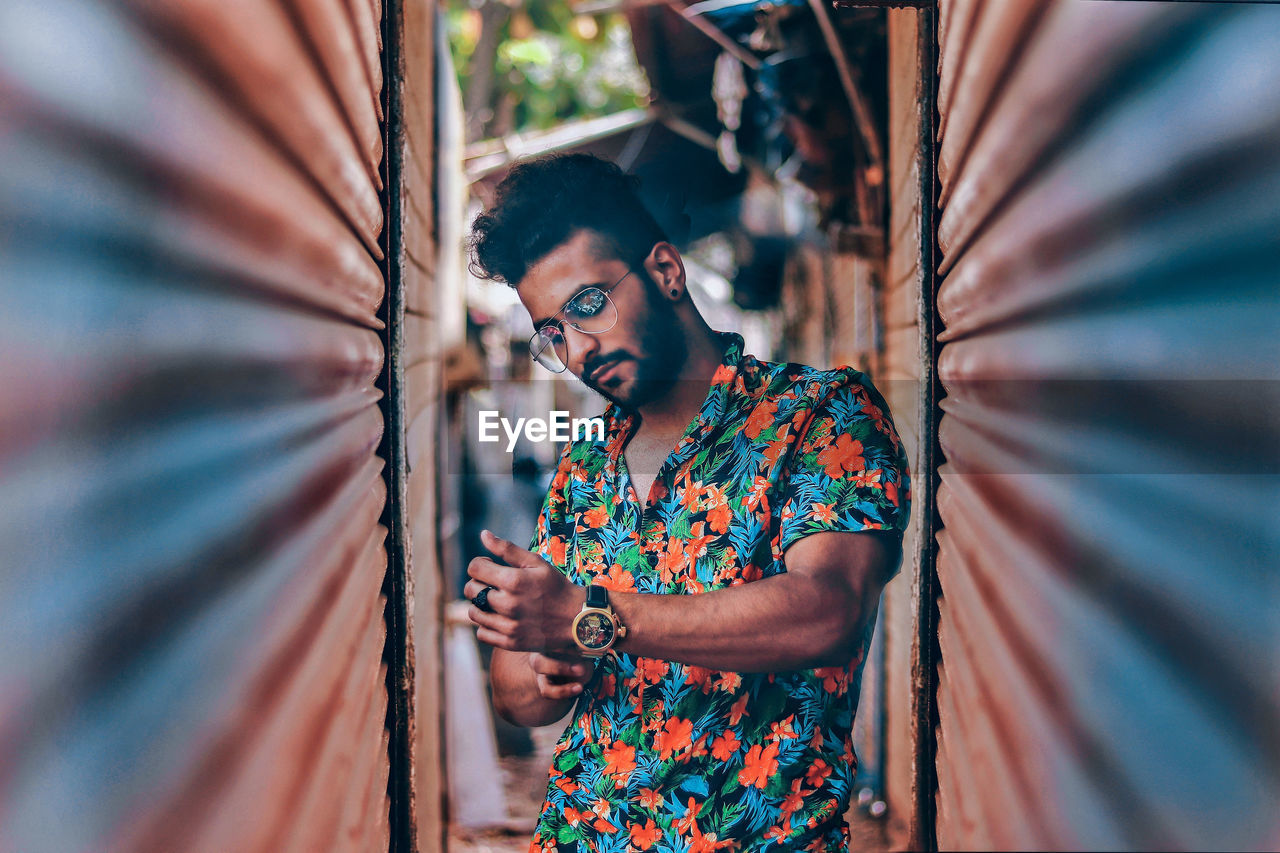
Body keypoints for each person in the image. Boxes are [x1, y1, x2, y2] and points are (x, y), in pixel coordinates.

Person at [463, 153, 911, 852]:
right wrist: (545, 665)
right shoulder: (583, 466)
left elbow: (829, 610)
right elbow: (516, 692)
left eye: (587, 304)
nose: (577, 348)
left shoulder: (821, 415)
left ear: (666, 271)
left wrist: (592, 617)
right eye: (552, 330)